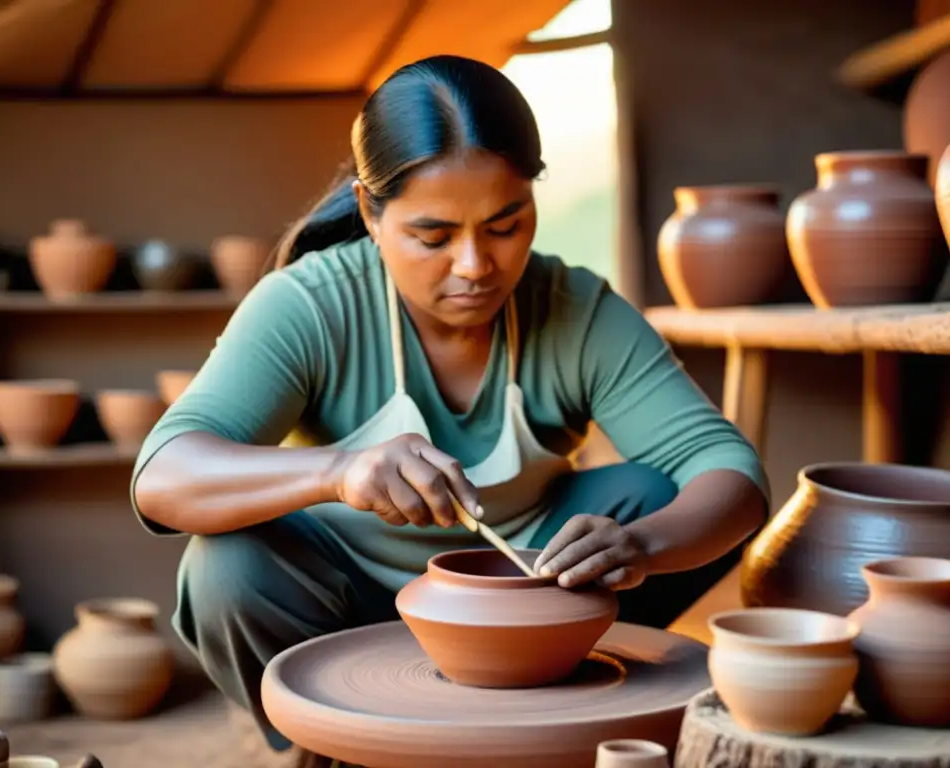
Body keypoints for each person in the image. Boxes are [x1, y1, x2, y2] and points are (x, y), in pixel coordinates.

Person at [131, 54, 770, 768]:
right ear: (372, 213)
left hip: (531, 599)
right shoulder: (312, 304)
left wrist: (645, 548)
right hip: (346, 613)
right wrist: (339, 471)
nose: (475, 265)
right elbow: (162, 476)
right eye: (433, 236)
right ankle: (336, 750)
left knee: (658, 499)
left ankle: (542, 723)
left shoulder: (573, 308)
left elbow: (732, 473)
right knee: (226, 568)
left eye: (506, 225)